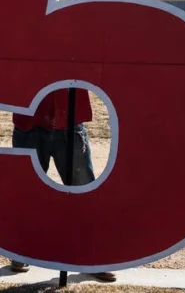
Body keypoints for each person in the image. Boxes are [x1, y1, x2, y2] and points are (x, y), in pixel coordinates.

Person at [9, 89, 116, 283]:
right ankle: (21, 250)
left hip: (70, 120)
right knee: (26, 194)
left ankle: (93, 256)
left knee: (84, 192)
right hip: (29, 122)